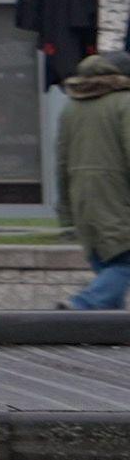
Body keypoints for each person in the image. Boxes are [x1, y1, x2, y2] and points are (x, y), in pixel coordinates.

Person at [59, 53, 130, 310]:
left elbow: (61, 161)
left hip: (83, 199)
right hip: (117, 198)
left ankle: (107, 328)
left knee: (108, 267)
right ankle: (82, 305)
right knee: (124, 264)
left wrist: (65, 211)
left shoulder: (71, 107)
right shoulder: (125, 103)